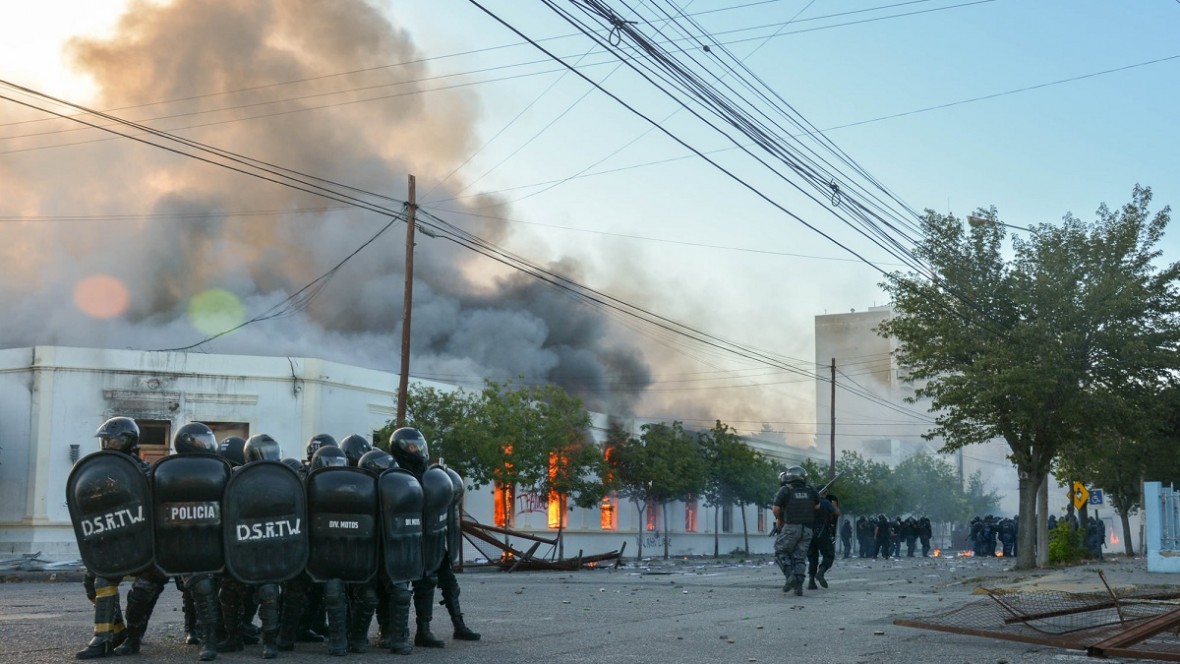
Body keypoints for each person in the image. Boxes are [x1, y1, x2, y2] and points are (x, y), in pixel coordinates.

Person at [75, 416, 169, 660]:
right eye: (105, 440)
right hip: (114, 542)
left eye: (112, 440)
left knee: (143, 590)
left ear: (127, 440)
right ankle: (110, 634)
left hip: (145, 546)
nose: (107, 444)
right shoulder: (98, 472)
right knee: (96, 579)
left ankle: (133, 639)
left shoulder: (144, 470)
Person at [771, 466, 820, 596]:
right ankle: (798, 585)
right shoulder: (811, 490)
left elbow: (776, 509)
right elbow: (817, 506)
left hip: (791, 527)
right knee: (800, 557)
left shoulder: (785, 490)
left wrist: (780, 518)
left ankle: (789, 576)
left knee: (780, 551)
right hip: (807, 529)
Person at [806, 492, 840, 590]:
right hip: (821, 532)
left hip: (808, 532)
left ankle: (811, 582)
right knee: (829, 554)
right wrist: (834, 505)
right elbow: (837, 513)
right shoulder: (825, 502)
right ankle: (821, 572)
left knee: (812, 557)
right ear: (823, 493)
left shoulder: (808, 502)